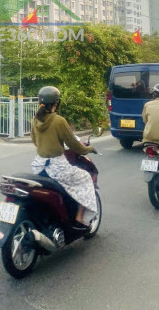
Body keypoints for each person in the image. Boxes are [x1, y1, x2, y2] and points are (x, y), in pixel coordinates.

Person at [30, 86, 97, 228]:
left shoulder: (35, 120)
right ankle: (80, 217)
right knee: (85, 178)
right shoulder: (59, 120)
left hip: (38, 165)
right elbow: (74, 145)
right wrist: (89, 149)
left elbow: (36, 142)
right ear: (57, 103)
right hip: (57, 167)